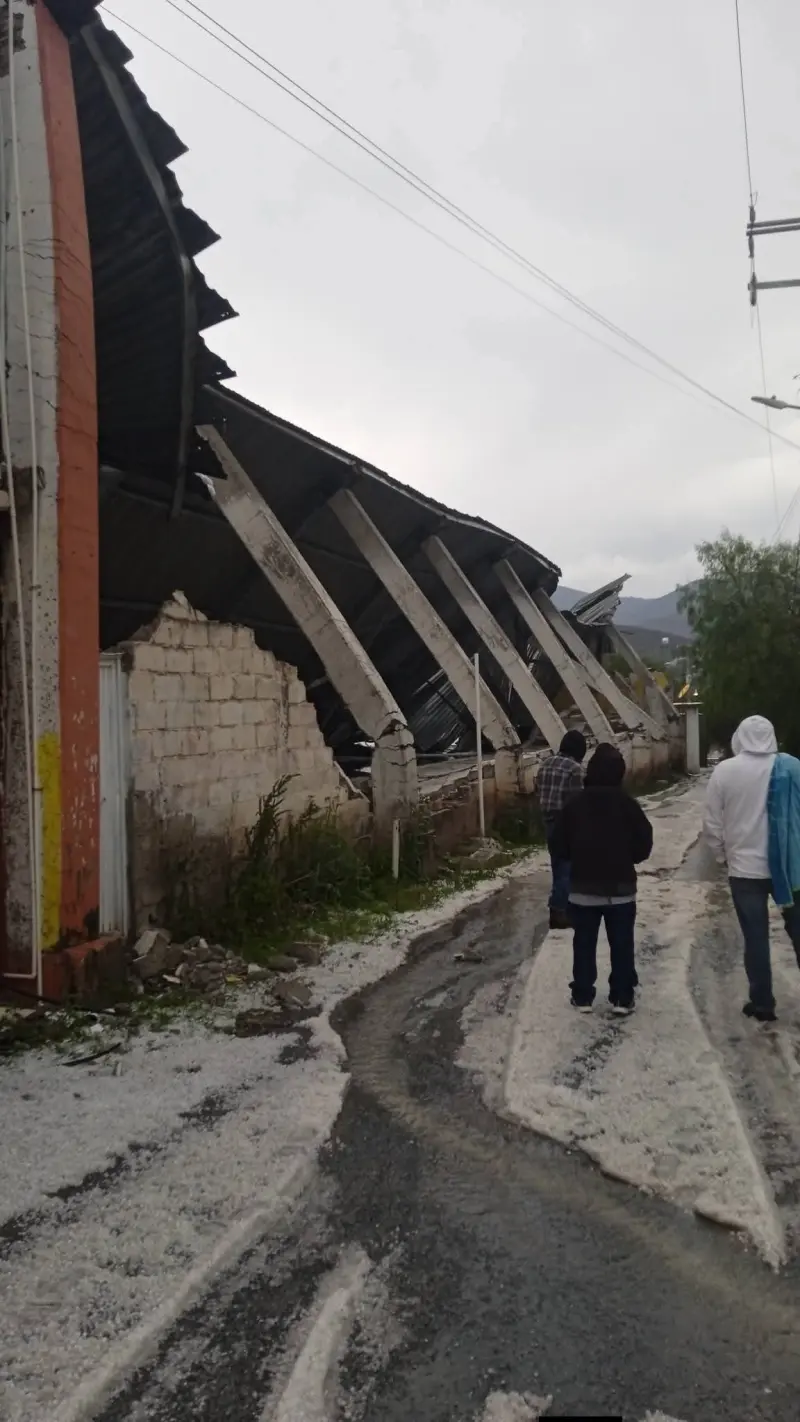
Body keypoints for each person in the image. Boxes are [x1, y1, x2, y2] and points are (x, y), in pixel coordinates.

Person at [704, 715, 800, 1023]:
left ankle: (762, 1003)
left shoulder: (725, 771)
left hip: (744, 871)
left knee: (755, 938)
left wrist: (722, 857)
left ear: (739, 737)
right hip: (790, 868)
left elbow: (712, 823)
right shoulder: (792, 767)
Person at [550, 742, 653, 1014]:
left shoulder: (575, 805)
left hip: (582, 887)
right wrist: (627, 858)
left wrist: (576, 857)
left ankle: (583, 996)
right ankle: (622, 997)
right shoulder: (628, 805)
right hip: (621, 889)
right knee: (622, 943)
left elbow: (557, 844)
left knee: (583, 942)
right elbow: (644, 843)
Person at [536, 730, 587, 929]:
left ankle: (559, 908)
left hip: (548, 820)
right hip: (566, 822)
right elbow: (575, 802)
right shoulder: (575, 769)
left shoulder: (545, 764)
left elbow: (539, 790)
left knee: (558, 864)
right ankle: (559, 911)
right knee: (567, 866)